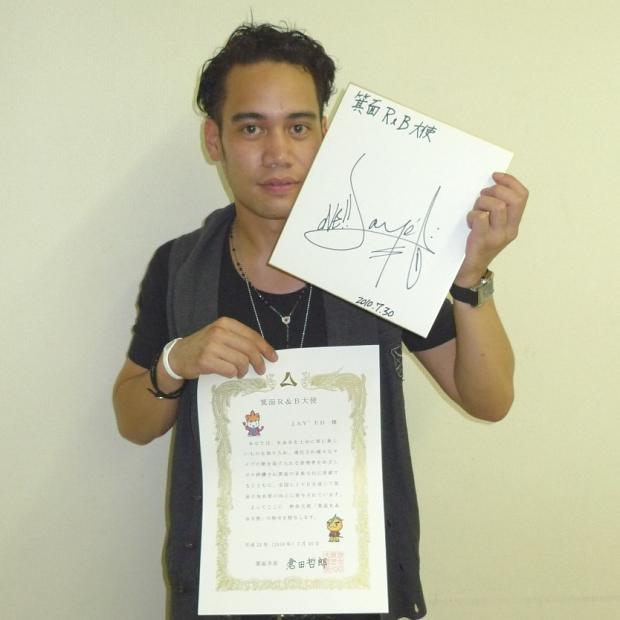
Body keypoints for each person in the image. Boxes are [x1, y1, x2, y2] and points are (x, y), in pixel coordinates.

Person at [113, 22, 528, 620]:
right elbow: (134, 421)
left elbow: (489, 400)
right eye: (251, 127)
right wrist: (176, 361)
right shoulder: (182, 266)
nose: (277, 153)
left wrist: (469, 276)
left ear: (326, 135)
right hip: (224, 592)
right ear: (214, 139)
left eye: (298, 127)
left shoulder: (382, 254)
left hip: (363, 590)